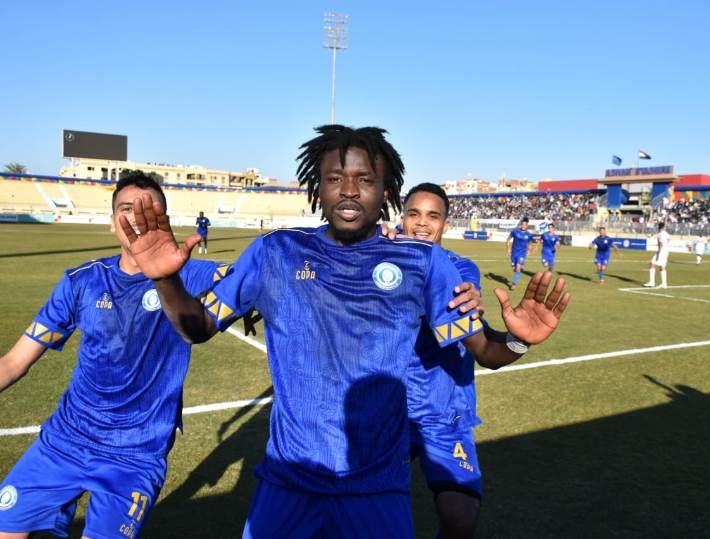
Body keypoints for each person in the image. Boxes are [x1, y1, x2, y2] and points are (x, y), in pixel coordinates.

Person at [119, 125, 570, 538]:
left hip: (377, 491)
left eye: (365, 179)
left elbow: (485, 350)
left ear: (386, 191)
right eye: (335, 178)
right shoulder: (275, 253)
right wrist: (165, 279)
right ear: (317, 187)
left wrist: (518, 339)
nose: (349, 190)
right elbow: (197, 327)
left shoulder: (422, 263)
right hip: (287, 484)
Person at [0, 171, 230, 539]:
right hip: (65, 440)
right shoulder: (82, 282)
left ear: (163, 219)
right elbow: (13, 362)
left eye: (148, 209)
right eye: (126, 209)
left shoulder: (189, 274)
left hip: (136, 454)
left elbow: (253, 278)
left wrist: (256, 295)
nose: (136, 218)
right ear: (111, 222)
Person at [400, 183, 570, 538]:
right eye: (413, 214)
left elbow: (484, 350)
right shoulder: (382, 261)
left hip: (445, 412)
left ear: (445, 223)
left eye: (433, 216)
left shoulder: (459, 269)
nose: (422, 223)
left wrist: (520, 340)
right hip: (389, 410)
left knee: (461, 518)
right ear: (402, 218)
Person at [506, 217, 534, 290]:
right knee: (515, 269)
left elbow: (530, 243)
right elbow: (508, 239)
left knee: (518, 268)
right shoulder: (515, 232)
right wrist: (508, 249)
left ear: (527, 226)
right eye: (523, 225)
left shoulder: (529, 235)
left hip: (522, 253)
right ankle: (519, 266)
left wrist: (529, 250)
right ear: (521, 225)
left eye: (525, 225)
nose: (524, 226)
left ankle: (514, 284)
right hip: (514, 252)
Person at [644, 222, 670, 288]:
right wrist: (650, 236)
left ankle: (652, 282)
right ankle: (664, 284)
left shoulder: (661, 234)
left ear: (659, 227)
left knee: (652, 264)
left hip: (661, 251)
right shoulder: (666, 234)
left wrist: (659, 252)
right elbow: (667, 240)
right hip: (666, 251)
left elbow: (661, 243)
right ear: (664, 227)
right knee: (662, 266)